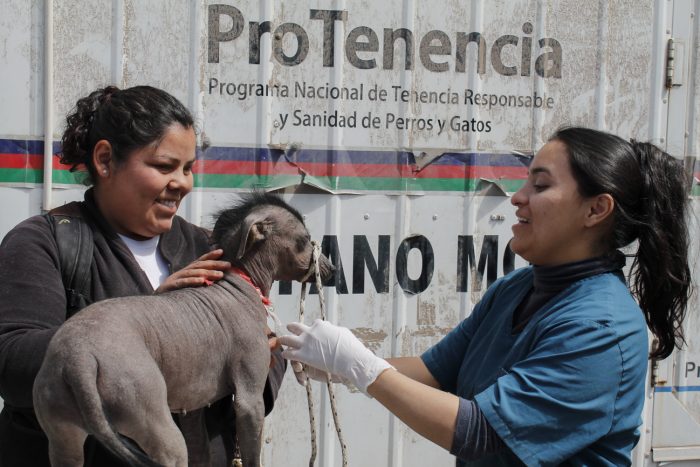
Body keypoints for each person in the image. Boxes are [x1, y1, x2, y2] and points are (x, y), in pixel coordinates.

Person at [279, 126, 692, 466]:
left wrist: (357, 363)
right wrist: (331, 362)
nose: (517, 197)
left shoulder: (602, 329)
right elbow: (433, 371)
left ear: (596, 210)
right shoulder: (516, 288)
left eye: (541, 185)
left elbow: (484, 433)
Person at [0, 85, 286, 466]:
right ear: (105, 160)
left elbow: (261, 358)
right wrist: (148, 315)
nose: (182, 183)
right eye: (164, 166)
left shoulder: (208, 248)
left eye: (187, 169)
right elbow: (11, 363)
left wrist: (262, 353)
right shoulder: (46, 242)